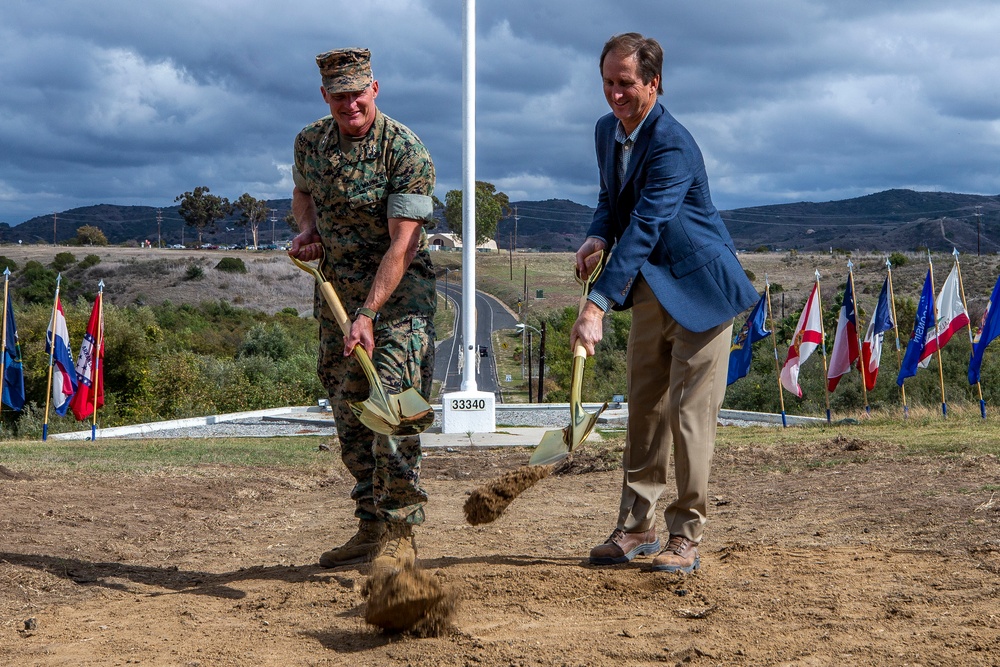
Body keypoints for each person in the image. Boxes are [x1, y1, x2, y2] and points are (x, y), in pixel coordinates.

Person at [571, 33, 758, 573]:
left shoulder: (673, 142)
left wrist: (596, 304)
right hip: (652, 288)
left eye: (625, 83)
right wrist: (596, 236)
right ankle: (636, 528)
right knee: (644, 409)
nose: (614, 95)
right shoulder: (608, 130)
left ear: (654, 83)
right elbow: (613, 203)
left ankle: (686, 534)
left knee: (687, 413)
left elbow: (649, 223)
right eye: (607, 83)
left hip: (702, 290)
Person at [287, 47, 437, 571]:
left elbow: (404, 246)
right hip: (334, 299)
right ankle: (370, 526)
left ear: (375, 89)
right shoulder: (311, 142)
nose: (350, 104)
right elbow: (302, 193)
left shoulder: (405, 152)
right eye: (339, 96)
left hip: (397, 307)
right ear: (325, 95)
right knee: (350, 415)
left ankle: (401, 532)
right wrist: (306, 232)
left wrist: (368, 313)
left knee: (391, 410)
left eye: (358, 93)